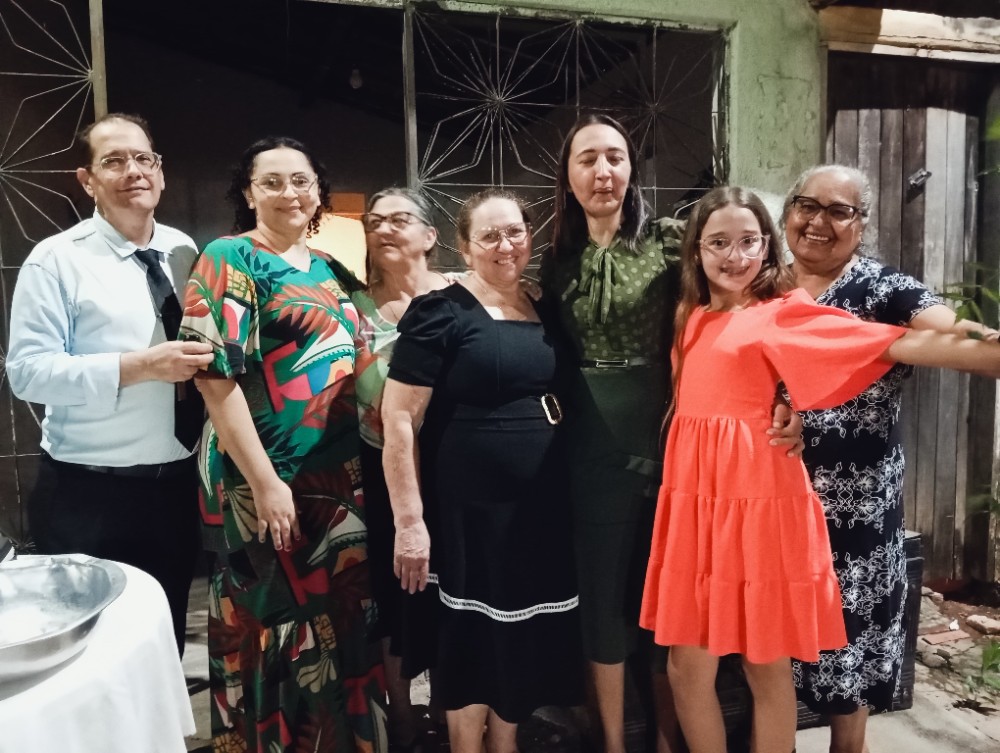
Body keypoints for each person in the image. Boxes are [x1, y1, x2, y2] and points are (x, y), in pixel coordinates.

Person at [639, 185, 1000, 753]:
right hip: (697, 505)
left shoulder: (782, 314)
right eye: (718, 243)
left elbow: (895, 344)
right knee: (687, 668)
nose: (735, 256)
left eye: (748, 241)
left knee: (764, 665)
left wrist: (980, 344)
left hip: (759, 504)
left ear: (767, 245)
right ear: (696, 250)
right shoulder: (690, 316)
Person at [541, 113, 803, 753]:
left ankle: (667, 741)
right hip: (588, 444)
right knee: (603, 598)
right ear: (568, 177)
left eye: (615, 156)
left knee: (673, 599)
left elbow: (754, 300)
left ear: (632, 169)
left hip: (675, 443)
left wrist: (789, 395)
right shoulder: (554, 262)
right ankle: (612, 742)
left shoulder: (666, 242)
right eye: (587, 159)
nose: (603, 171)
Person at [783, 164, 1000, 753]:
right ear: (789, 211)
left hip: (857, 503)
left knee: (849, 636)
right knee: (778, 638)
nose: (818, 221)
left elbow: (947, 326)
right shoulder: (766, 282)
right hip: (777, 493)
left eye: (839, 211)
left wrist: (980, 336)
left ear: (861, 223)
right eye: (808, 205)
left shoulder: (881, 288)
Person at [179, 136, 384, 753]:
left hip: (337, 479)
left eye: (301, 180)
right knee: (275, 621)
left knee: (341, 618)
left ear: (318, 192)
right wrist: (266, 483)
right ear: (248, 193)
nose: (289, 192)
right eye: (271, 181)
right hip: (264, 477)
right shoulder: (231, 257)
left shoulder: (329, 269)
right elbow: (213, 377)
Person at [382, 188, 585, 753]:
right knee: (472, 648)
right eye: (489, 235)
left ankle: (505, 744)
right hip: (469, 514)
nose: (505, 245)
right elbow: (399, 418)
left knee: (517, 646)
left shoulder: (543, 305)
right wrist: (409, 522)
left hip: (537, 509)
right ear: (465, 247)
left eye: (515, 231)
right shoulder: (441, 311)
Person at [6, 112, 210, 653]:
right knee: (92, 655)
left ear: (160, 172)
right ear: (88, 180)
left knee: (163, 644)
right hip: (88, 494)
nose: (133, 171)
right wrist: (141, 366)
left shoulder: (184, 250)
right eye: (114, 161)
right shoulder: (56, 259)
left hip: (174, 488)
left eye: (143, 158)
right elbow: (28, 373)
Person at [352, 187, 452, 751]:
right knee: (393, 591)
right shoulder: (352, 307)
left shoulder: (461, 295)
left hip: (450, 464)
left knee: (447, 585)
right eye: (375, 221)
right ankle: (401, 714)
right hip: (379, 468)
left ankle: (446, 703)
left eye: (398, 219)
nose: (384, 229)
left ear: (430, 235)